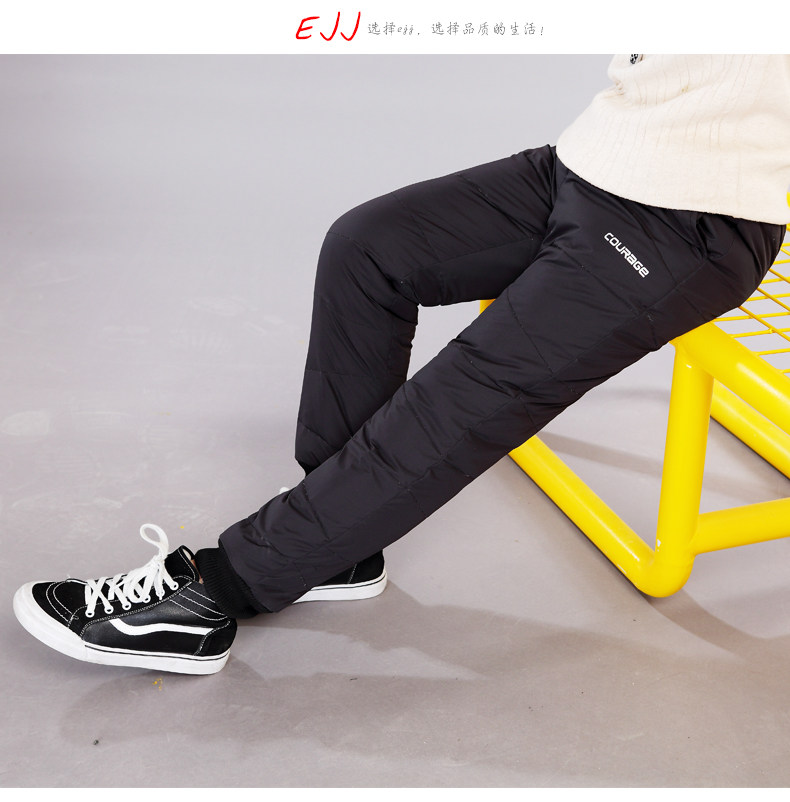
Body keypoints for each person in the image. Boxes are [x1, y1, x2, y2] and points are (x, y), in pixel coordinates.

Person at [13, 55, 790, 675]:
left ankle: (220, 590)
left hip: (691, 217)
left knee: (466, 394)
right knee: (369, 248)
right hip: (596, 159)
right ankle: (337, 543)